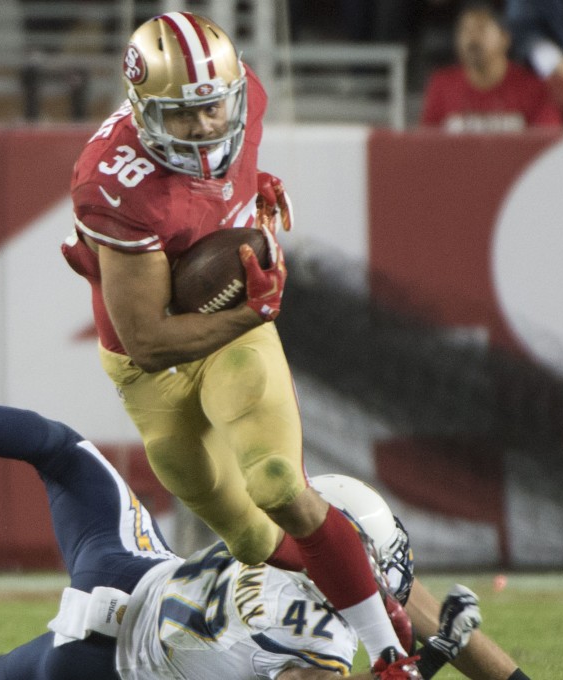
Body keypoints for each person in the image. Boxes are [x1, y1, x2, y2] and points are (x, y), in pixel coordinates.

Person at [0, 353, 490, 680]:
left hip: (131, 573)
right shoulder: (329, 628)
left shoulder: (284, 540)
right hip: (107, 667)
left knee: (60, 448)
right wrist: (423, 662)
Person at [61, 11, 412, 669]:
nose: (204, 128)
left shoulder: (242, 95)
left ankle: (391, 652)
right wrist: (254, 312)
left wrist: (250, 190)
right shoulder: (111, 180)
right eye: (182, 116)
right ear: (142, 110)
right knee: (251, 538)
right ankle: (370, 593)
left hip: (226, 344)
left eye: (213, 109)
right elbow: (149, 340)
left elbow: (223, 171)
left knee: (278, 482)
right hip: (152, 365)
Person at [420, 1, 563, 132]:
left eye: (481, 29)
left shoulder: (531, 87)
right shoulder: (442, 86)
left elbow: (550, 139)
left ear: (505, 38)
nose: (472, 39)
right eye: (465, 30)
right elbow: (426, 145)